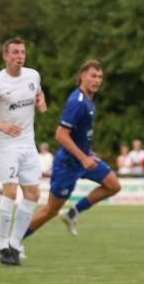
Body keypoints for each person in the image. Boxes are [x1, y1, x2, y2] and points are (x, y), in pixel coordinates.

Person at [24, 60, 122, 240]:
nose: (97, 80)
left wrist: (87, 154)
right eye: (93, 76)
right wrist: (84, 158)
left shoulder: (88, 101)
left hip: (84, 159)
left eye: (100, 77)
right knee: (50, 211)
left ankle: (72, 213)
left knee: (113, 185)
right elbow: (61, 135)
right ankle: (14, 242)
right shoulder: (77, 102)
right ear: (82, 76)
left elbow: (79, 135)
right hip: (68, 164)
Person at [0, 37, 47, 265]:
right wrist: (1, 125)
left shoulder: (33, 75)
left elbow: (38, 93)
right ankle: (1, 244)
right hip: (6, 144)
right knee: (11, 192)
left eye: (22, 52)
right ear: (5, 56)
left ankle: (14, 245)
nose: (19, 56)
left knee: (33, 195)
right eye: (14, 52)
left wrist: (41, 102)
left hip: (28, 143)